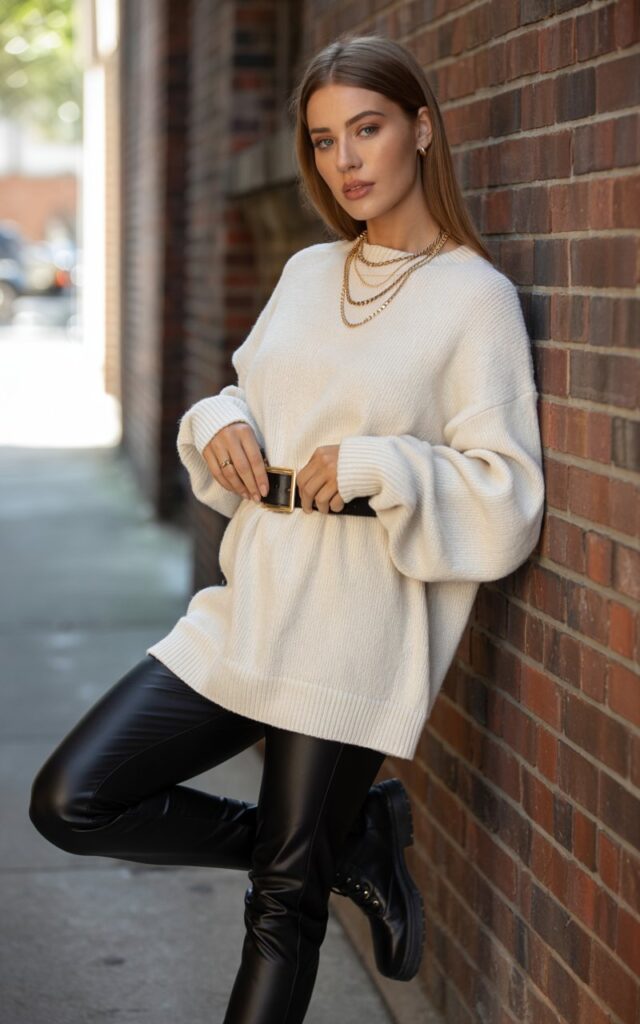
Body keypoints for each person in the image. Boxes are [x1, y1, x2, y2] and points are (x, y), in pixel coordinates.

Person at [28, 32, 545, 1024]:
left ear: (421, 130)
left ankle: (317, 853)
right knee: (73, 799)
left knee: (282, 904)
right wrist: (218, 421)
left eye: (367, 129)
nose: (345, 160)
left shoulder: (473, 299)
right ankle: (348, 843)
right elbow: (248, 396)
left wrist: (378, 466)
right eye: (322, 140)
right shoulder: (311, 272)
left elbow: (506, 494)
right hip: (254, 603)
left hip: (355, 629)